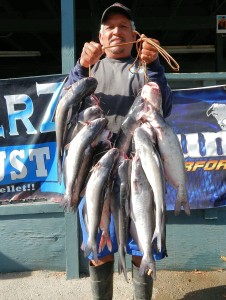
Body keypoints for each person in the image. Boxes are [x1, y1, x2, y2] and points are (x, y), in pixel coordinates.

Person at [64, 3, 173, 299]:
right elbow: (66, 107)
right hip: (96, 170)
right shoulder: (89, 69)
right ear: (100, 37)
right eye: (109, 27)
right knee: (99, 248)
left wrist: (155, 66)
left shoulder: (145, 68)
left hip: (139, 170)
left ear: (134, 34)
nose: (116, 32)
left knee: (142, 246)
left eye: (123, 26)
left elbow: (166, 107)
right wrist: (78, 67)